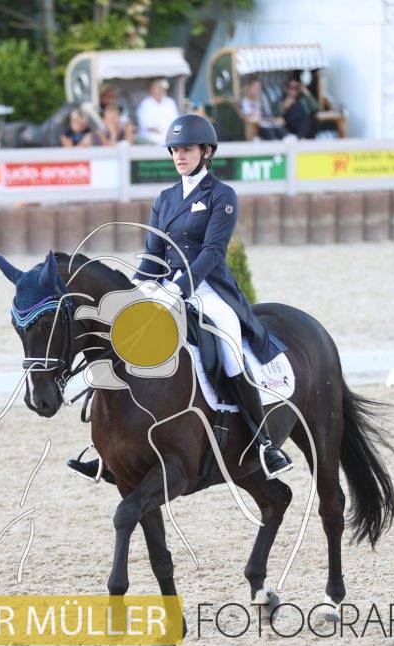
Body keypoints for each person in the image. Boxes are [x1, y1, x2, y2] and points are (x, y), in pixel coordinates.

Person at [68, 113, 294, 483]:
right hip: (164, 287)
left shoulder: (222, 196)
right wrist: (135, 291)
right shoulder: (166, 198)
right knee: (122, 339)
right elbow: (152, 253)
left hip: (207, 289)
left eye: (187, 149)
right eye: (175, 150)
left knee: (229, 346)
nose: (180, 156)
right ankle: (107, 449)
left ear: (207, 152)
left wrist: (179, 288)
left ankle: (263, 442)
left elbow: (212, 252)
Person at [135, 78, 180, 144]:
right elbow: (148, 126)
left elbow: (176, 121)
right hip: (151, 136)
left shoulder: (170, 102)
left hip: (170, 134)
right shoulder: (145, 104)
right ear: (152, 89)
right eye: (159, 88)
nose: (161, 91)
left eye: (163, 89)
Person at [239, 76, 285, 140]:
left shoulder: (260, 101)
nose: (257, 90)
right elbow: (246, 117)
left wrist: (275, 120)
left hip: (263, 124)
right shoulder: (243, 102)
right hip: (253, 129)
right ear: (249, 87)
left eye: (258, 88)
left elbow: (263, 117)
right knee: (269, 133)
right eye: (255, 87)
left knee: (279, 130)